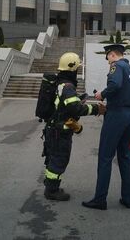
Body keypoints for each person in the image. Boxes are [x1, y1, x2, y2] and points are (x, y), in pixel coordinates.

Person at [42, 52, 105, 201]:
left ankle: (51, 185)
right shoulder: (68, 86)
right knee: (59, 159)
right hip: (60, 132)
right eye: (77, 68)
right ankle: (51, 191)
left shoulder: (60, 83)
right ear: (72, 69)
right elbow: (76, 109)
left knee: (53, 158)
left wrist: (78, 99)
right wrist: (97, 109)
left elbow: (64, 105)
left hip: (53, 128)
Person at [83, 44, 130, 210]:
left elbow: (115, 85)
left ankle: (100, 199)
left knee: (105, 156)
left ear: (113, 55)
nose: (108, 62)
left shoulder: (117, 66)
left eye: (108, 57)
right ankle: (128, 198)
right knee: (125, 156)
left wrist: (102, 94)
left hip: (116, 115)